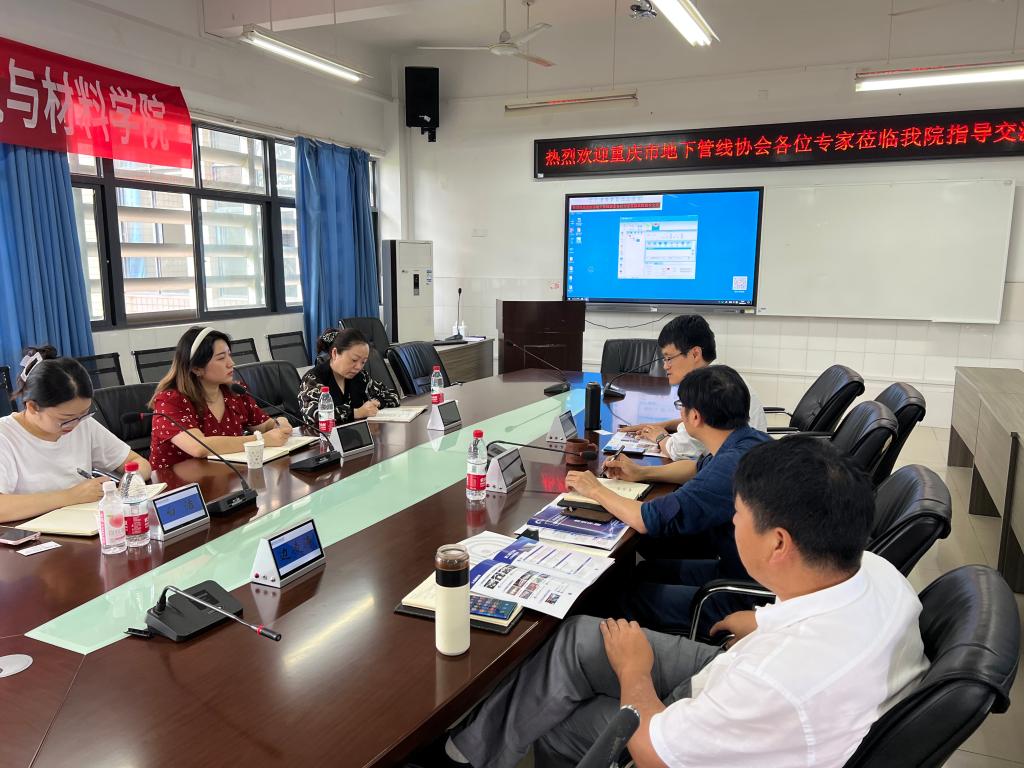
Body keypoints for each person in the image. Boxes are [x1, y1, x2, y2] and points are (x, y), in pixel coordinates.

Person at [434, 437, 929, 768]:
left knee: (555, 720)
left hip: (707, 718)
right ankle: (462, 754)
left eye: (738, 516)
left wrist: (635, 673)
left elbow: (654, 752)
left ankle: (480, 751)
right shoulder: (878, 571)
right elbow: (819, 621)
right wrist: (762, 620)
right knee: (581, 637)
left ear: (779, 543)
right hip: (737, 674)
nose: (732, 524)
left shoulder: (776, 682)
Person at [567, 365, 772, 630]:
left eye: (681, 406)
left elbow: (648, 519)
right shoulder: (749, 441)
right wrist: (642, 472)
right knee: (643, 571)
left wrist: (595, 489)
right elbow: (696, 468)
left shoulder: (730, 468)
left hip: (743, 596)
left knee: (619, 599)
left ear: (694, 416)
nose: (680, 413)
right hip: (741, 568)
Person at [0, 346, 151, 523]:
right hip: (30, 534)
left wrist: (121, 489)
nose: (75, 424)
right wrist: (70, 496)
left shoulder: (82, 424)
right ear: (33, 407)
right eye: (65, 419)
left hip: (84, 526)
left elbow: (139, 463)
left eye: (84, 414)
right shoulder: (6, 436)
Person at [621, 314, 767, 460]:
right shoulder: (722, 378)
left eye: (669, 358)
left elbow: (679, 450)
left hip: (738, 467)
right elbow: (704, 422)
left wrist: (659, 436)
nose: (665, 366)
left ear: (695, 354)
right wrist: (661, 425)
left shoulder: (709, 389)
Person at [149, 327, 293, 470]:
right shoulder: (169, 401)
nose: (231, 363)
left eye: (229, 355)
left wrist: (278, 423)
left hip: (228, 476)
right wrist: (261, 440)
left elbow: (264, 426)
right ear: (196, 368)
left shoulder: (235, 392)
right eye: (221, 358)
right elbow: (199, 447)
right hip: (178, 483)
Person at [298, 328, 400, 425]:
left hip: (358, 433)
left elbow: (393, 396)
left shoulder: (361, 376)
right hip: (327, 436)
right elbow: (314, 416)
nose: (358, 367)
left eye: (363, 362)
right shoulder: (313, 379)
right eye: (354, 360)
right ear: (335, 354)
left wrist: (377, 402)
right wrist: (356, 413)